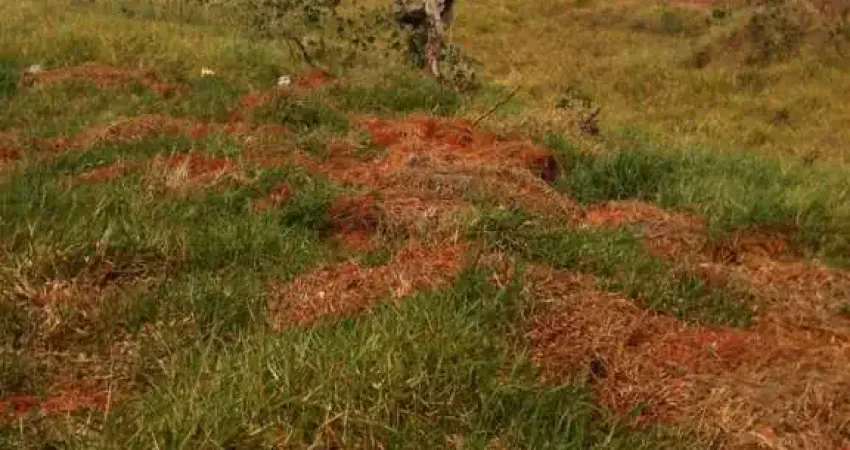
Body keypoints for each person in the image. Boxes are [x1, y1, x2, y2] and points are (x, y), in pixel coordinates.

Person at [395, 0, 455, 77]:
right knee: (418, 35)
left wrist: (442, 21)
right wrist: (437, 20)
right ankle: (421, 62)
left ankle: (430, 61)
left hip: (425, 15)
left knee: (431, 36)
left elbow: (446, 15)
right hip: (411, 11)